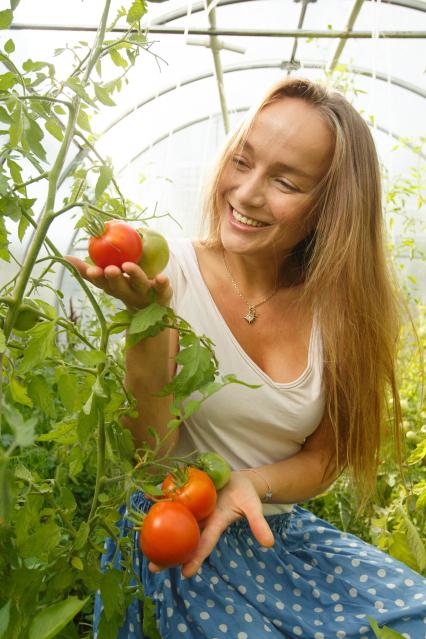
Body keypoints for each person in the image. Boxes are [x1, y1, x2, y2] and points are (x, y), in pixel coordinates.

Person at [68, 77, 426, 639]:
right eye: (243, 160)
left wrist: (250, 484)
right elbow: (149, 458)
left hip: (275, 534)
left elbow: (328, 457)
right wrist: (150, 323)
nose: (248, 192)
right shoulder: (169, 275)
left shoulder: (340, 312)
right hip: (179, 540)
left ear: (331, 209)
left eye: (285, 181)